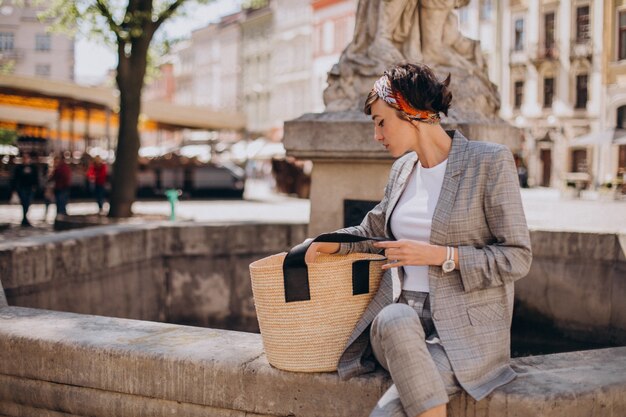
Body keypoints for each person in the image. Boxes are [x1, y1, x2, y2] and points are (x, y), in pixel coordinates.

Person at [306, 63, 532, 417]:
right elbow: (372, 232)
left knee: (388, 412)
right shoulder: (402, 170)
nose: (377, 135)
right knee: (394, 317)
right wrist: (321, 243)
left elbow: (516, 257)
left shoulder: (489, 162)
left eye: (381, 122)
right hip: (398, 326)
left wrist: (440, 255)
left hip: (465, 332)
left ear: (411, 112)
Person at [10, 153, 40, 227]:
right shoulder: (19, 168)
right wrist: (14, 189)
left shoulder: (33, 167)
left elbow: (36, 178)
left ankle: (24, 219)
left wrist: (36, 186)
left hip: (30, 188)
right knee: (24, 203)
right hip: (22, 188)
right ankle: (25, 219)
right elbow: (15, 179)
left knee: (28, 203)